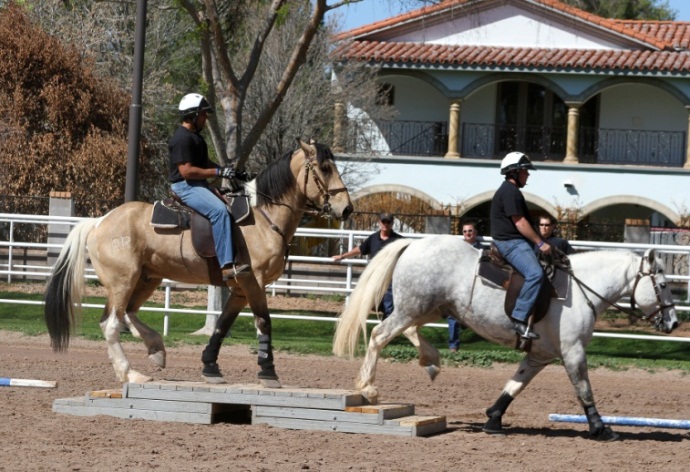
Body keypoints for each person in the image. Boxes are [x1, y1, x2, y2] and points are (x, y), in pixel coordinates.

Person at [168, 93, 249, 281]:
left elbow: (205, 164)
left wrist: (231, 172)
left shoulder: (195, 138)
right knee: (219, 211)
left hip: (197, 185)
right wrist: (218, 173)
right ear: (194, 114)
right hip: (185, 187)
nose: (205, 118)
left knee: (230, 203)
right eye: (203, 114)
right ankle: (226, 265)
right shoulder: (182, 139)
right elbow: (187, 171)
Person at [490, 152, 550, 340]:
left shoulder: (511, 191)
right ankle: (519, 318)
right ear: (514, 172)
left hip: (515, 241)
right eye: (525, 171)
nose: (528, 175)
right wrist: (540, 242)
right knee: (535, 274)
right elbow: (520, 223)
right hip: (511, 243)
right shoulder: (510, 192)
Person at [333, 212, 403, 319]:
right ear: (379, 222)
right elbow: (360, 249)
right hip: (374, 277)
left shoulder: (399, 240)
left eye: (388, 222)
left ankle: (386, 327)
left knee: (388, 306)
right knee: (365, 302)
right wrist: (343, 256)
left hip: (390, 278)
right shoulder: (373, 238)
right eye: (383, 221)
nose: (385, 224)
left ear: (392, 223)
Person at [448, 221, 484, 352]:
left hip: (476, 288)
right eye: (465, 231)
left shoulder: (481, 250)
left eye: (470, 231)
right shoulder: (457, 249)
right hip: (458, 287)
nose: (467, 233)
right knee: (453, 315)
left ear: (475, 233)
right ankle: (453, 346)